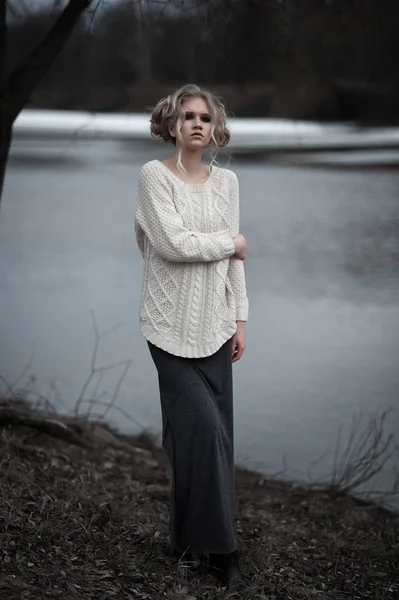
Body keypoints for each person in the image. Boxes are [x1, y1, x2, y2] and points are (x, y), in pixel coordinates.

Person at [134, 84, 249, 592]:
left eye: (205, 117)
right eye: (188, 116)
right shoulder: (153, 178)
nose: (197, 124)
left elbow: (231, 267)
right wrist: (231, 243)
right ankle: (223, 551)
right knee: (200, 431)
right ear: (172, 124)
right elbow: (173, 244)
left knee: (211, 439)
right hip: (167, 329)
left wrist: (241, 318)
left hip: (217, 326)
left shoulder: (227, 183)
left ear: (214, 127)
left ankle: (185, 540)